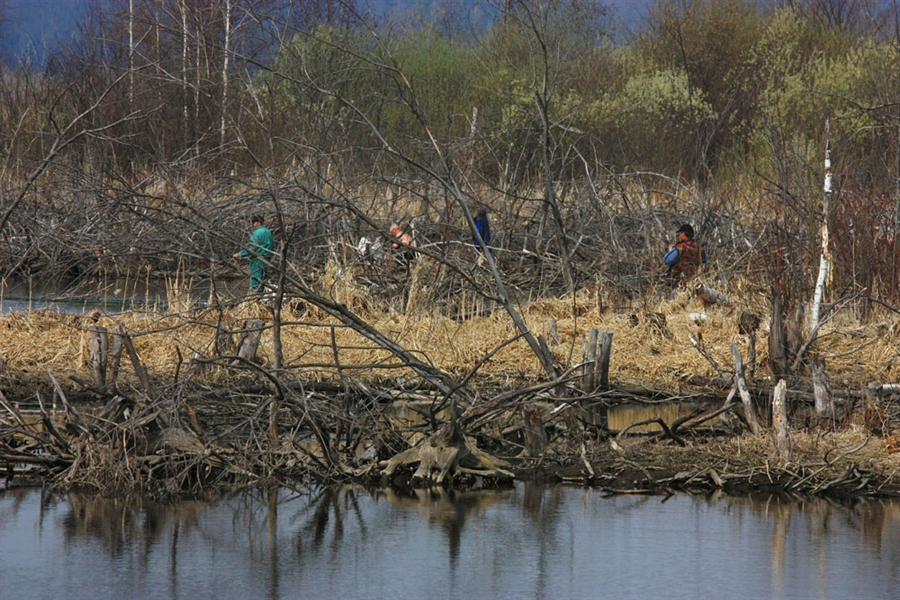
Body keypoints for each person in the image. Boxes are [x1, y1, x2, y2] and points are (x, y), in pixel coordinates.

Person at [233, 215, 274, 292]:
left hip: (258, 258)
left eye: (253, 222)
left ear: (258, 222)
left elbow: (252, 247)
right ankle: (265, 295)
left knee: (256, 279)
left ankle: (258, 295)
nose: (252, 224)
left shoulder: (257, 232)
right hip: (267, 258)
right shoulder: (268, 231)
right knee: (264, 278)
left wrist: (240, 254)